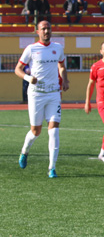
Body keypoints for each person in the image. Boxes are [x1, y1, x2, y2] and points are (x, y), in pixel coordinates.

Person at [15, 21, 69, 178]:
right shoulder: (31, 49)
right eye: (43, 29)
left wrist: (65, 79)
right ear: (37, 31)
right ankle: (25, 151)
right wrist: (27, 77)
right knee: (36, 131)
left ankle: (52, 168)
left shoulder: (57, 48)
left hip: (53, 94)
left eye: (49, 28)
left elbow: (62, 66)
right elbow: (17, 69)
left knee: (54, 131)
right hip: (36, 94)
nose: (46, 31)